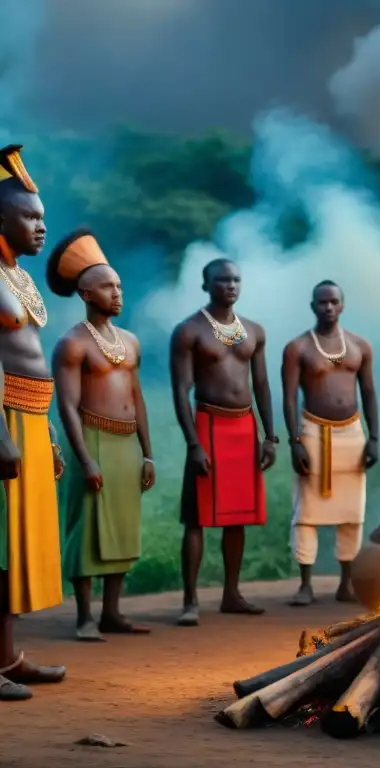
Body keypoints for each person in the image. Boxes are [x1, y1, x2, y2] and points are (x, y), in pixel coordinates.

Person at [49, 229, 155, 641]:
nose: (117, 293)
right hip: (89, 440)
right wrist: (86, 459)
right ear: (85, 293)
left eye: (119, 285)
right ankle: (84, 617)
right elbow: (67, 407)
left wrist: (147, 454)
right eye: (107, 286)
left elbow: (139, 399)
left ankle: (112, 613)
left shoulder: (130, 341)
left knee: (123, 529)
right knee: (88, 527)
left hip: (127, 443)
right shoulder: (71, 344)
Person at [169, 258, 277, 626]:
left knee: (238, 518)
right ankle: (190, 601)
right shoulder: (189, 331)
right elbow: (181, 391)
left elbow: (261, 385)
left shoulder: (254, 331)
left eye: (235, 280)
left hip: (245, 427)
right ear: (206, 285)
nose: (230, 285)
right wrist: (193, 443)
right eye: (222, 280)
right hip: (208, 425)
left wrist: (271, 437)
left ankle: (232, 593)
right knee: (197, 517)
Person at [0, 144, 66, 701]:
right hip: (1, 419)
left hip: (28, 414)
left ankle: (8, 659)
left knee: (11, 548)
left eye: (43, 218)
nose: (42, 227)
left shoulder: (16, 275)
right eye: (31, 217)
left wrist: (42, 428)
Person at [281, 280, 378, 606]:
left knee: (352, 512)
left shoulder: (360, 346)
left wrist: (374, 437)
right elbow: (289, 397)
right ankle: (305, 584)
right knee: (306, 511)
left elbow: (368, 393)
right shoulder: (298, 348)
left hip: (352, 433)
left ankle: (345, 583)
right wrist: (295, 441)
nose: (328, 307)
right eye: (322, 302)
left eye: (333, 301)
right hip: (313, 431)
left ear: (342, 305)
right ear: (313, 306)